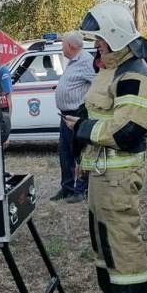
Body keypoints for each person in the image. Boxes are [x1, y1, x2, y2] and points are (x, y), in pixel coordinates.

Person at [63, 2, 147, 293]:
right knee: (101, 238)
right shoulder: (111, 69)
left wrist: (82, 128)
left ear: (115, 37)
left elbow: (127, 132)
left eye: (100, 39)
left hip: (119, 176)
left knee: (121, 242)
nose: (96, 45)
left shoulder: (137, 76)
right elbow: (97, 109)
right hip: (102, 171)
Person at [51, 31, 96, 203]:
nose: (62, 49)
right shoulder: (73, 61)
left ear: (70, 46)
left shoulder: (86, 62)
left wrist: (87, 108)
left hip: (77, 116)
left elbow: (98, 83)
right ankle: (67, 188)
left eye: (63, 45)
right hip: (65, 116)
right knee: (65, 153)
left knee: (81, 154)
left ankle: (81, 190)